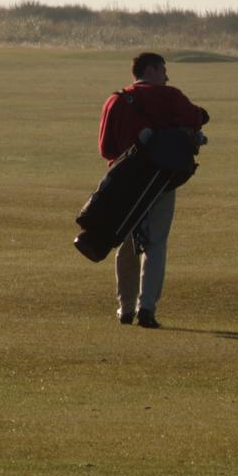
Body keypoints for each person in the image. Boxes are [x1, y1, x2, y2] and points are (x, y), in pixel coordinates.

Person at [97, 52, 209, 328]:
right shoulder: (169, 96)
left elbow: (105, 149)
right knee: (156, 243)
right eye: (163, 71)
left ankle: (124, 308)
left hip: (123, 182)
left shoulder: (115, 100)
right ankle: (146, 308)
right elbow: (198, 117)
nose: (166, 77)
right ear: (151, 70)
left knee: (125, 243)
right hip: (161, 180)